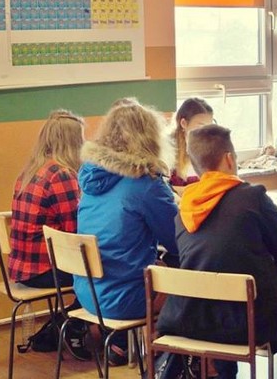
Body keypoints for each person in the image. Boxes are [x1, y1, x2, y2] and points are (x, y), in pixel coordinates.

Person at [157, 124, 277, 379]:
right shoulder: (251, 197)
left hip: (196, 319)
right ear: (229, 159)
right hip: (251, 320)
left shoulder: (184, 210)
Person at [74, 102, 179, 365]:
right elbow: (178, 240)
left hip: (89, 292)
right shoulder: (145, 185)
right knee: (189, 274)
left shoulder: (91, 181)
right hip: (125, 299)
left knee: (146, 264)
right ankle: (170, 358)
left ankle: (120, 344)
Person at [8, 110, 84, 288]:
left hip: (21, 268)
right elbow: (75, 231)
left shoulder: (30, 171)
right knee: (107, 272)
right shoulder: (61, 175)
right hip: (46, 270)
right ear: (74, 143)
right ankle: (77, 307)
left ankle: (74, 306)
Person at [169, 97, 214, 192]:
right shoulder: (168, 148)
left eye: (209, 127)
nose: (205, 132)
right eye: (200, 126)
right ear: (183, 123)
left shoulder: (211, 148)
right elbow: (161, 189)